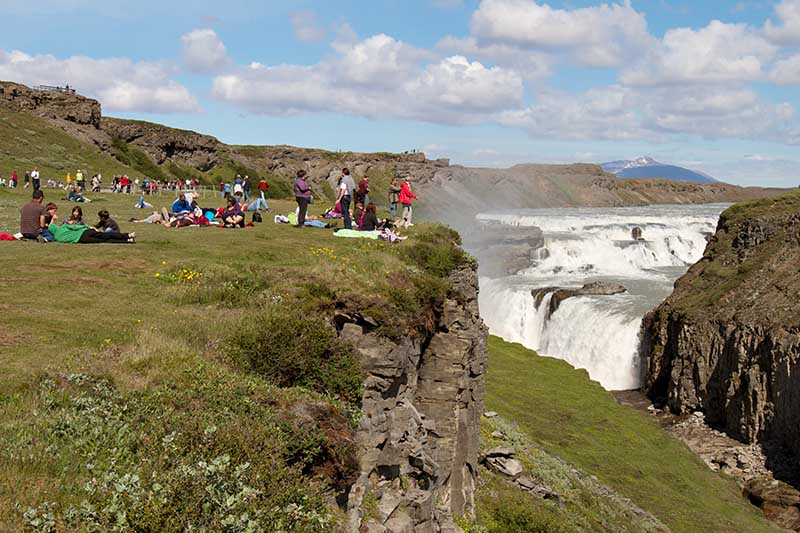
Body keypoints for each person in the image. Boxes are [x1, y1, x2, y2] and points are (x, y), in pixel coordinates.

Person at [48, 219, 135, 244]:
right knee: (104, 235)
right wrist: (88, 226)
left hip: (82, 239)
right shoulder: (63, 226)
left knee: (104, 240)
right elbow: (75, 227)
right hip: (85, 231)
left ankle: (127, 241)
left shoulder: (57, 238)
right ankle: (127, 235)